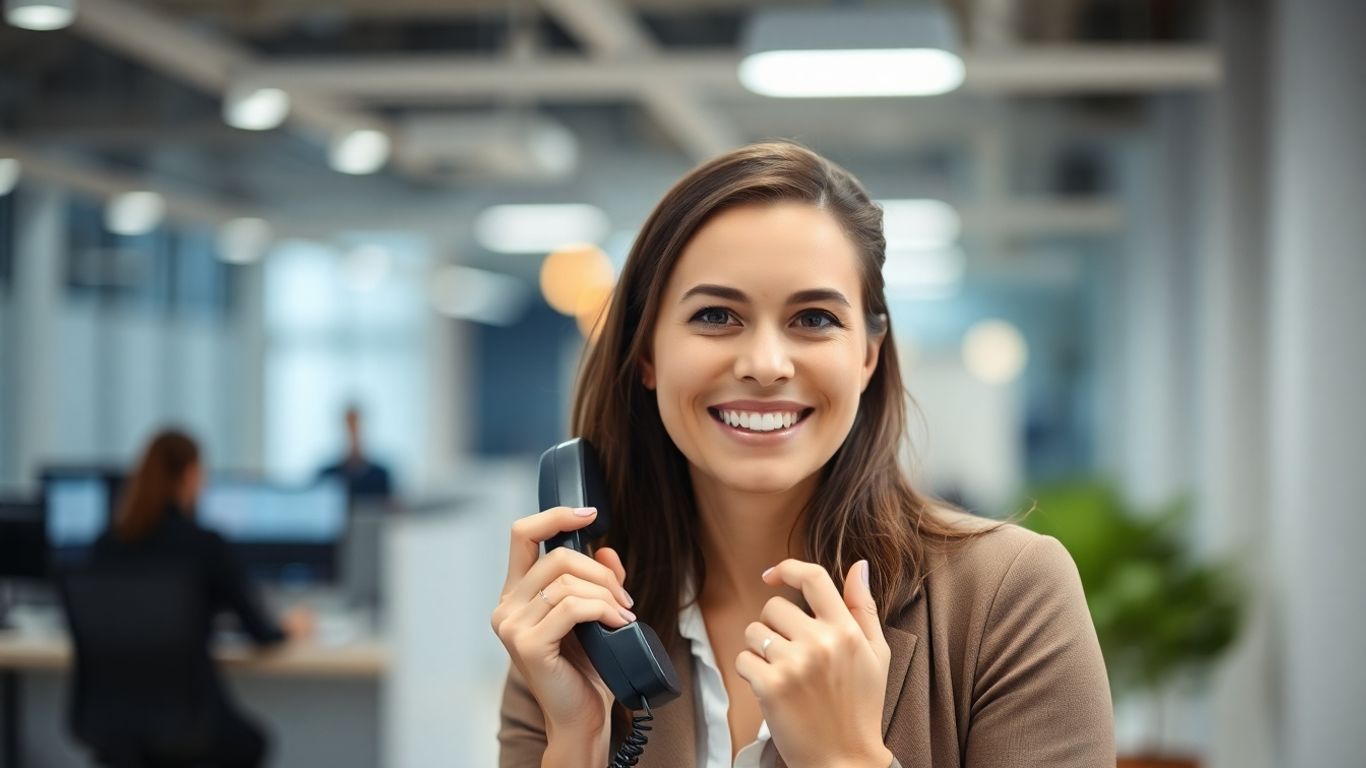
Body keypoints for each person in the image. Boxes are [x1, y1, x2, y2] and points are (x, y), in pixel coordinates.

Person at [492, 142, 1114, 767]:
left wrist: (845, 758)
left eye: (814, 319)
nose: (766, 365)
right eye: (716, 315)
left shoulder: (1008, 596)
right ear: (647, 352)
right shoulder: (576, 621)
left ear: (867, 356)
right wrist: (576, 738)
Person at [88, 430, 308, 768]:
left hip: (115, 726)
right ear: (191, 475)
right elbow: (261, 633)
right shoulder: (205, 546)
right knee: (251, 742)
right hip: (191, 725)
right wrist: (290, 627)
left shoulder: (105, 546)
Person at [317, 404, 393, 504]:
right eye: (349, 426)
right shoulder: (328, 475)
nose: (352, 432)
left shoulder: (380, 476)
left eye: (356, 426)